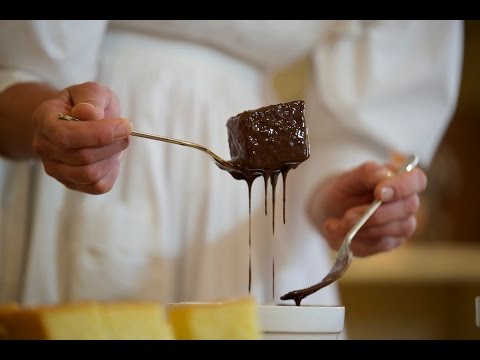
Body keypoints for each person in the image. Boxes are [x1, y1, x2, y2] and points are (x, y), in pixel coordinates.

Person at [0, 21, 463, 307]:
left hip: (263, 201)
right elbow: (16, 73)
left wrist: (341, 198)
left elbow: (367, 107)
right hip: (77, 158)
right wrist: (49, 124)